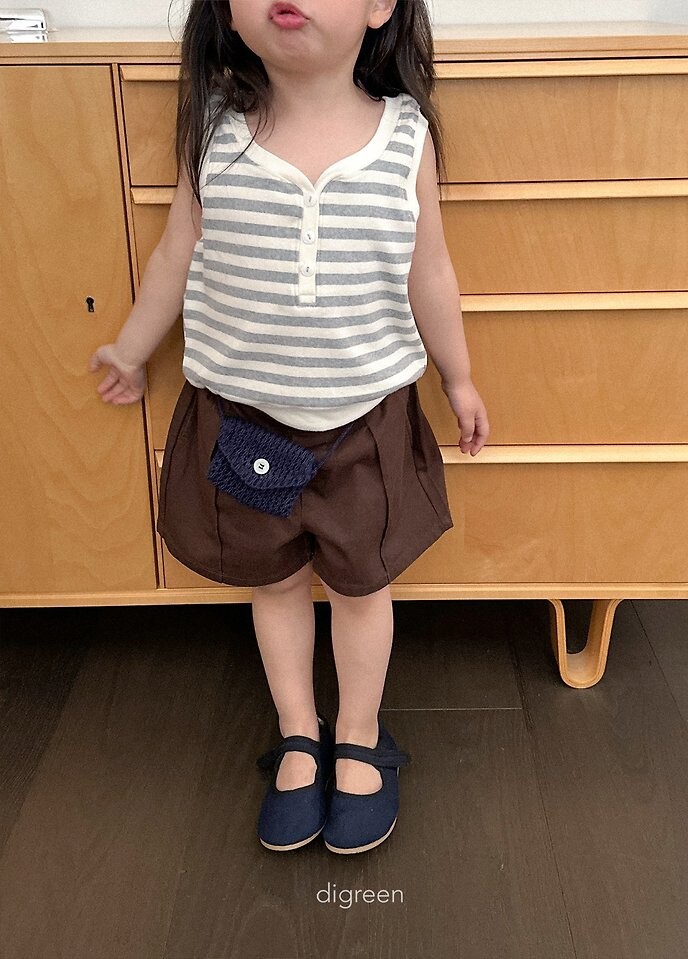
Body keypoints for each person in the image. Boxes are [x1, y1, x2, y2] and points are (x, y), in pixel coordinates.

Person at [88, 0, 490, 855]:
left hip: (366, 423)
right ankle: (299, 732)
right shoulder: (214, 133)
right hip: (244, 423)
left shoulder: (405, 138)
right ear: (229, 15)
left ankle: (359, 734)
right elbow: (174, 254)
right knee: (272, 585)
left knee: (362, 587)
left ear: (380, 6)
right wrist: (129, 348)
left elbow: (431, 268)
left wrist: (458, 377)